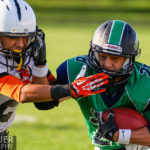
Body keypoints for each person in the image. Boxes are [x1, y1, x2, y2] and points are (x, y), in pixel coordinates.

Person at [0, 0, 109, 149]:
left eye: (25, 37)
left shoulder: (24, 55)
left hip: (3, 132)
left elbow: (44, 101)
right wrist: (71, 89)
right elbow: (23, 94)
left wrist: (40, 64)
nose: (20, 44)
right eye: (12, 37)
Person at [37, 20, 150, 150]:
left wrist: (120, 135)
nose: (107, 64)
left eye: (114, 59)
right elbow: (43, 104)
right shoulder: (78, 69)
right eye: (102, 56)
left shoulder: (144, 82)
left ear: (128, 59)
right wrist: (69, 89)